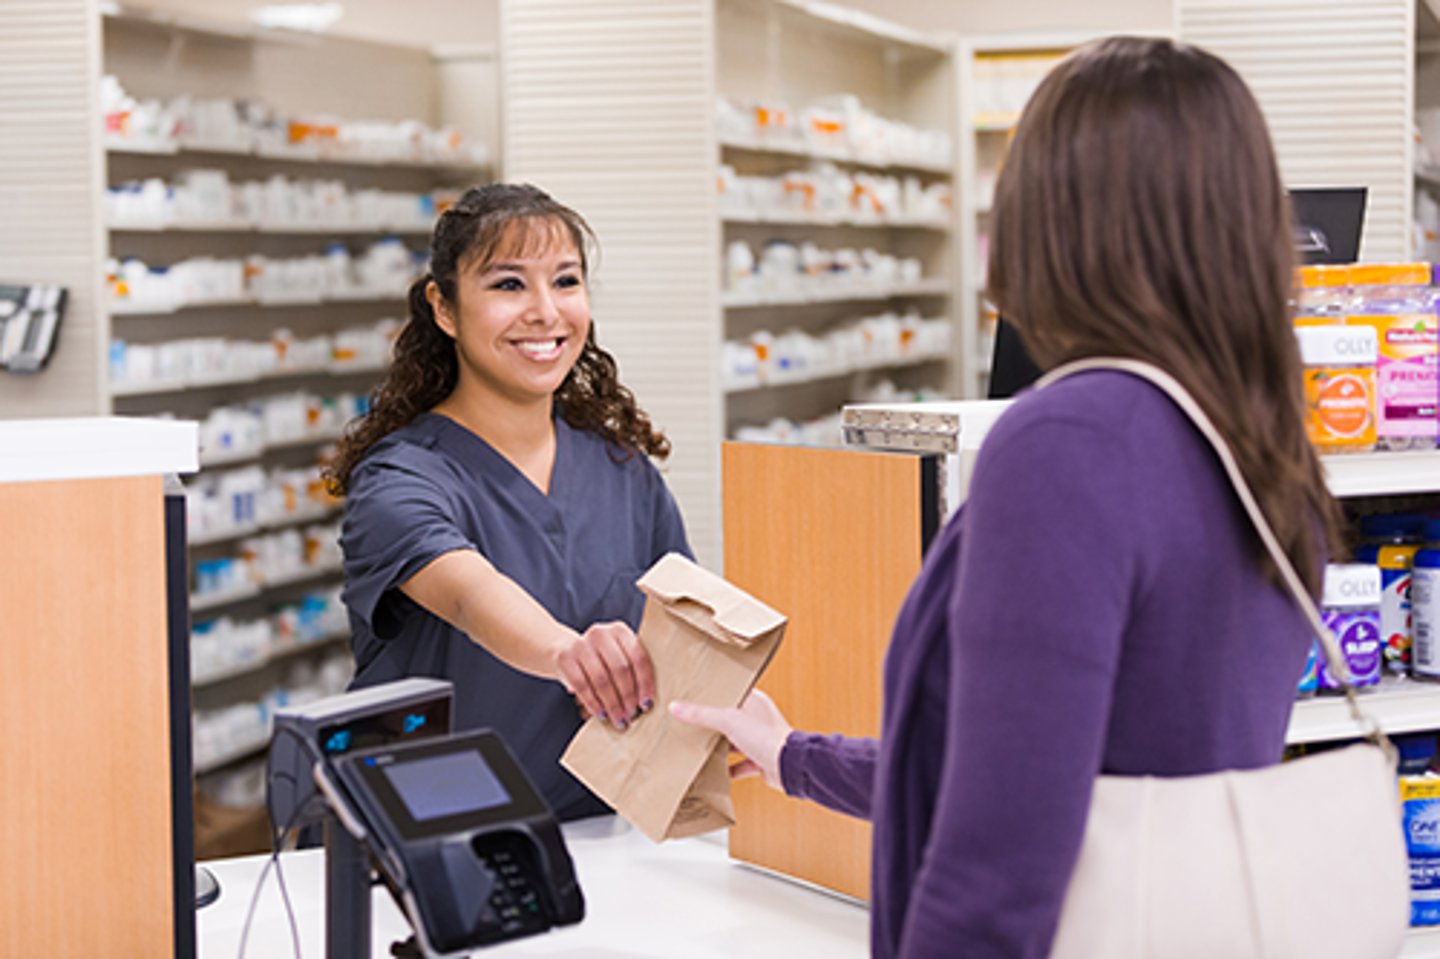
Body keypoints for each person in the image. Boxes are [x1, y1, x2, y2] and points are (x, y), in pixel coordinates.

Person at [673, 36, 1343, 958]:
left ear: (1053, 216)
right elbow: (1072, 766)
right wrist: (797, 758)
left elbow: (999, 863)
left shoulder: (1070, 442)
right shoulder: (1259, 440)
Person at [325, 183, 691, 822]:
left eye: (566, 281)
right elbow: (469, 595)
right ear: (444, 308)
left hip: (598, 837)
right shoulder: (401, 478)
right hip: (428, 838)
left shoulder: (623, 470)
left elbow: (683, 634)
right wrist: (569, 655)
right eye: (508, 285)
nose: (546, 312)